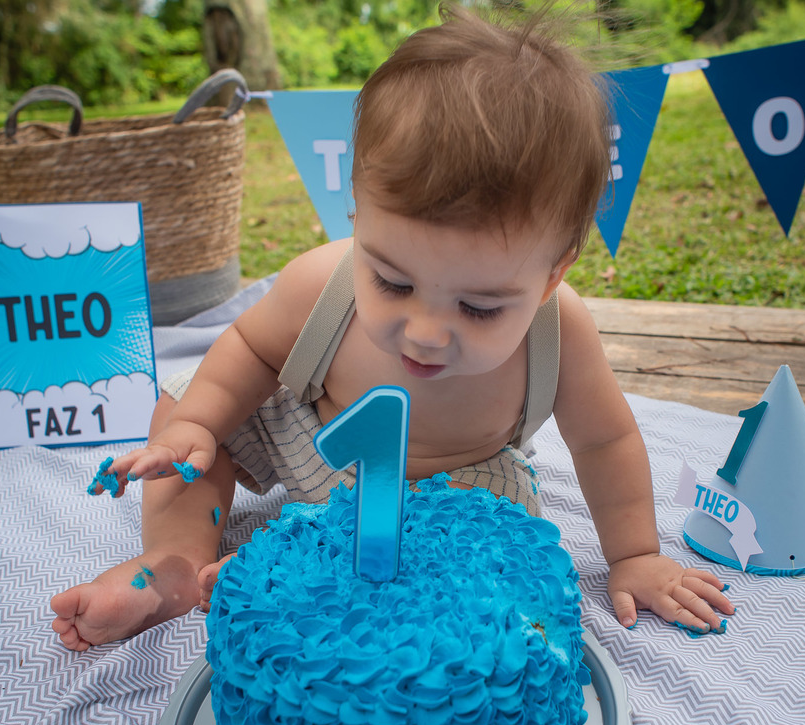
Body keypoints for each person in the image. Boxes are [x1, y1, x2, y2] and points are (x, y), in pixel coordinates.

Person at [50, 3, 735, 652]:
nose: (426, 333)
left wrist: (636, 553)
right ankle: (173, 562)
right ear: (357, 217)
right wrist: (197, 423)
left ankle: (302, 581)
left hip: (454, 485)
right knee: (185, 409)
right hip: (311, 437)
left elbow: (606, 438)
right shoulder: (322, 283)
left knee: (487, 555)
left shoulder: (562, 331)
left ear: (551, 276)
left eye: (480, 307)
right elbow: (249, 347)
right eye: (394, 282)